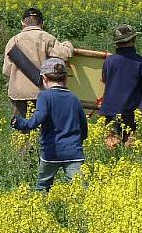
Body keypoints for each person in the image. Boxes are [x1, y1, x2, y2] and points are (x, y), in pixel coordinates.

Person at [11, 57, 88, 191]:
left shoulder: (44, 97)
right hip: (73, 152)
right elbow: (83, 126)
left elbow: (36, 120)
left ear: (44, 78)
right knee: (80, 189)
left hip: (51, 152)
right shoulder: (74, 98)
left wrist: (19, 123)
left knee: (42, 187)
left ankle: (41, 209)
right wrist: (77, 142)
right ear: (66, 78)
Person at [2, 8, 74, 118]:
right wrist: (68, 44)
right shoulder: (47, 38)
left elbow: (6, 71)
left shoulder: (13, 41)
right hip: (41, 91)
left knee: (22, 127)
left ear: (22, 22)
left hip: (18, 93)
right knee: (42, 126)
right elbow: (65, 54)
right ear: (42, 23)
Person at [99, 24, 142, 149]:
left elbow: (105, 79)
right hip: (131, 108)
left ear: (116, 43)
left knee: (111, 143)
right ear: (134, 40)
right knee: (130, 143)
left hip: (110, 108)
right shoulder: (139, 61)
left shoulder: (109, 61)